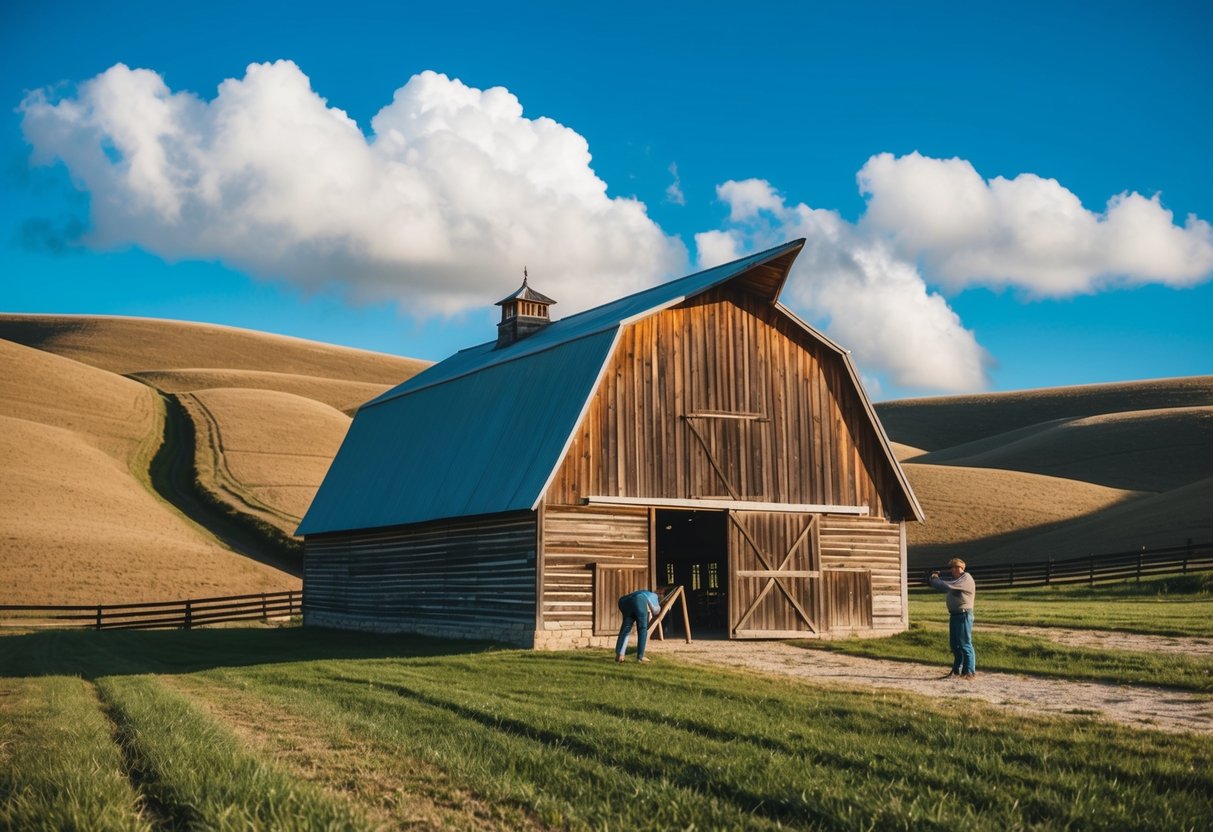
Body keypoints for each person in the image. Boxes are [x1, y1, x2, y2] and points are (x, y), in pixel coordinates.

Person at [928, 558, 976, 679]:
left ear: (960, 568)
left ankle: (969, 672)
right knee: (955, 645)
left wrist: (934, 578)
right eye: (951, 568)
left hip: (963, 614)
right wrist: (935, 579)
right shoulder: (957, 580)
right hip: (955, 615)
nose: (952, 570)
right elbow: (942, 584)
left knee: (964, 644)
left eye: (954, 568)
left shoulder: (965, 579)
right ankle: (957, 671)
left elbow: (942, 585)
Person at [615, 588, 662, 664]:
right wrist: (660, 607)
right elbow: (655, 610)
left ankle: (620, 655)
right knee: (642, 628)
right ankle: (641, 656)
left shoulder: (643, 592)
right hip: (638, 600)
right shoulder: (654, 595)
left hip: (623, 601)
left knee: (626, 629)